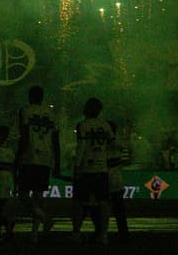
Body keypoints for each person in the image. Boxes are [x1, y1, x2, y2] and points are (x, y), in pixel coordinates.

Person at [15, 85, 60, 242]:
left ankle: (45, 219)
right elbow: (56, 141)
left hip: (30, 157)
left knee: (23, 195)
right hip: (46, 159)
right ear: (41, 97)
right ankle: (34, 233)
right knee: (38, 197)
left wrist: (18, 157)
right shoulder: (51, 114)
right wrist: (57, 163)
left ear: (30, 96)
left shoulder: (25, 111)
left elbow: (24, 136)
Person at [72, 97, 114, 245]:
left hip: (86, 169)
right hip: (101, 169)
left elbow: (81, 148)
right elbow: (110, 145)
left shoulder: (82, 125)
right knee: (103, 202)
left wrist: (76, 167)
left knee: (78, 202)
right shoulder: (106, 126)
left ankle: (76, 233)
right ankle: (103, 234)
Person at [107, 121, 130, 243]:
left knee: (100, 209)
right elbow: (126, 161)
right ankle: (123, 234)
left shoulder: (108, 144)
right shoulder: (120, 144)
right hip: (116, 181)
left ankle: (100, 233)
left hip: (106, 181)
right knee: (119, 210)